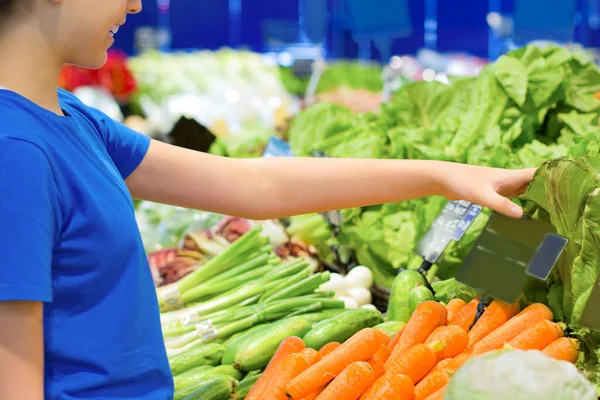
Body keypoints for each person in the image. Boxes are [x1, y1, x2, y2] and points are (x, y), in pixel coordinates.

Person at [0, 0, 536, 399]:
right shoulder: (16, 149)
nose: (137, 4)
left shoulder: (74, 117)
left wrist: (442, 175)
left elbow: (253, 186)